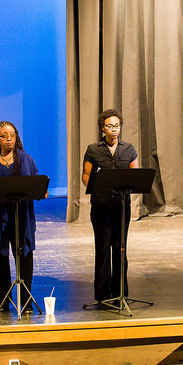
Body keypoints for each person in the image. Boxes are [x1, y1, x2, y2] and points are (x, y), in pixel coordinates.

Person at [0, 121, 41, 313]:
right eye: (4, 135)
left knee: (24, 257)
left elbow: (37, 183)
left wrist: (40, 191)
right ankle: (3, 300)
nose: (9, 138)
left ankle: (26, 301)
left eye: (12, 134)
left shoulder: (26, 159)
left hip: (21, 216)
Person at [82, 109, 139, 304]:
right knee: (103, 248)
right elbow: (86, 176)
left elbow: (136, 176)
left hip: (122, 205)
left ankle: (120, 292)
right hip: (101, 205)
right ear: (102, 128)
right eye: (109, 126)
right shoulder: (93, 149)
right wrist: (96, 187)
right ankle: (102, 295)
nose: (113, 130)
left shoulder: (129, 148)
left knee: (121, 247)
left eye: (116, 126)